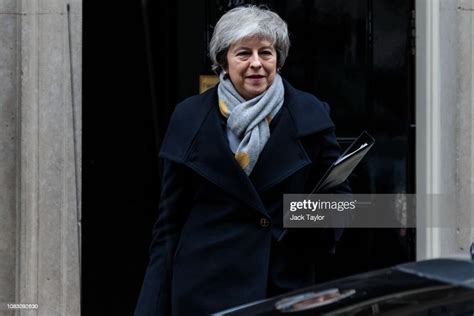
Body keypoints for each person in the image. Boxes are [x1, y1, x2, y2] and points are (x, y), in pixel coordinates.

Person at [134, 5, 350, 316]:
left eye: (266, 53)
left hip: (282, 288)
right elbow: (169, 226)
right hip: (203, 288)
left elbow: (341, 199)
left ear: (278, 58)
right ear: (223, 60)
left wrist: (301, 218)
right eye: (243, 54)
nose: (256, 64)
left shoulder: (310, 112)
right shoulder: (189, 117)